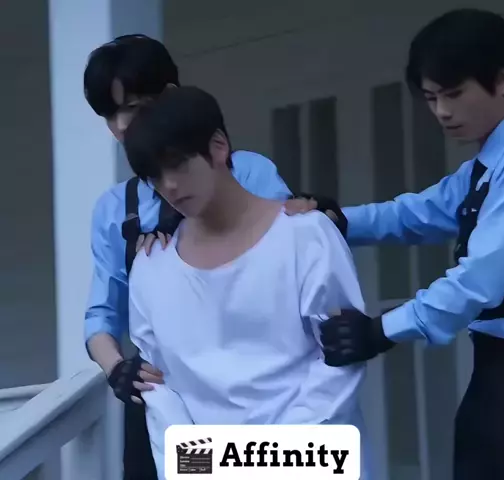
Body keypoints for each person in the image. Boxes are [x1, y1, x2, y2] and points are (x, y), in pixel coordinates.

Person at [83, 34, 345, 479]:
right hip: (167, 406)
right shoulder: (115, 210)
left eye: (133, 106)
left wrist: (321, 216)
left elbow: (283, 259)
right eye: (110, 115)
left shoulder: (250, 172)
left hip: (270, 417)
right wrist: (117, 369)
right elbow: (101, 315)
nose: (123, 125)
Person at [306, 9, 504, 480]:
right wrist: (332, 220)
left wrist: (380, 331)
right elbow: (415, 214)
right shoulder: (490, 162)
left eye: (454, 94)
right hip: (502, 372)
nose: (441, 112)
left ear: (502, 80)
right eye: (431, 97)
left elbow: (479, 280)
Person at [122, 85, 371, 479]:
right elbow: (159, 392)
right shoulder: (151, 268)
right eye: (154, 175)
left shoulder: (306, 236)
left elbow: (340, 363)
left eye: (178, 164)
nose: (168, 185)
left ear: (218, 147)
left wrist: (261, 465)